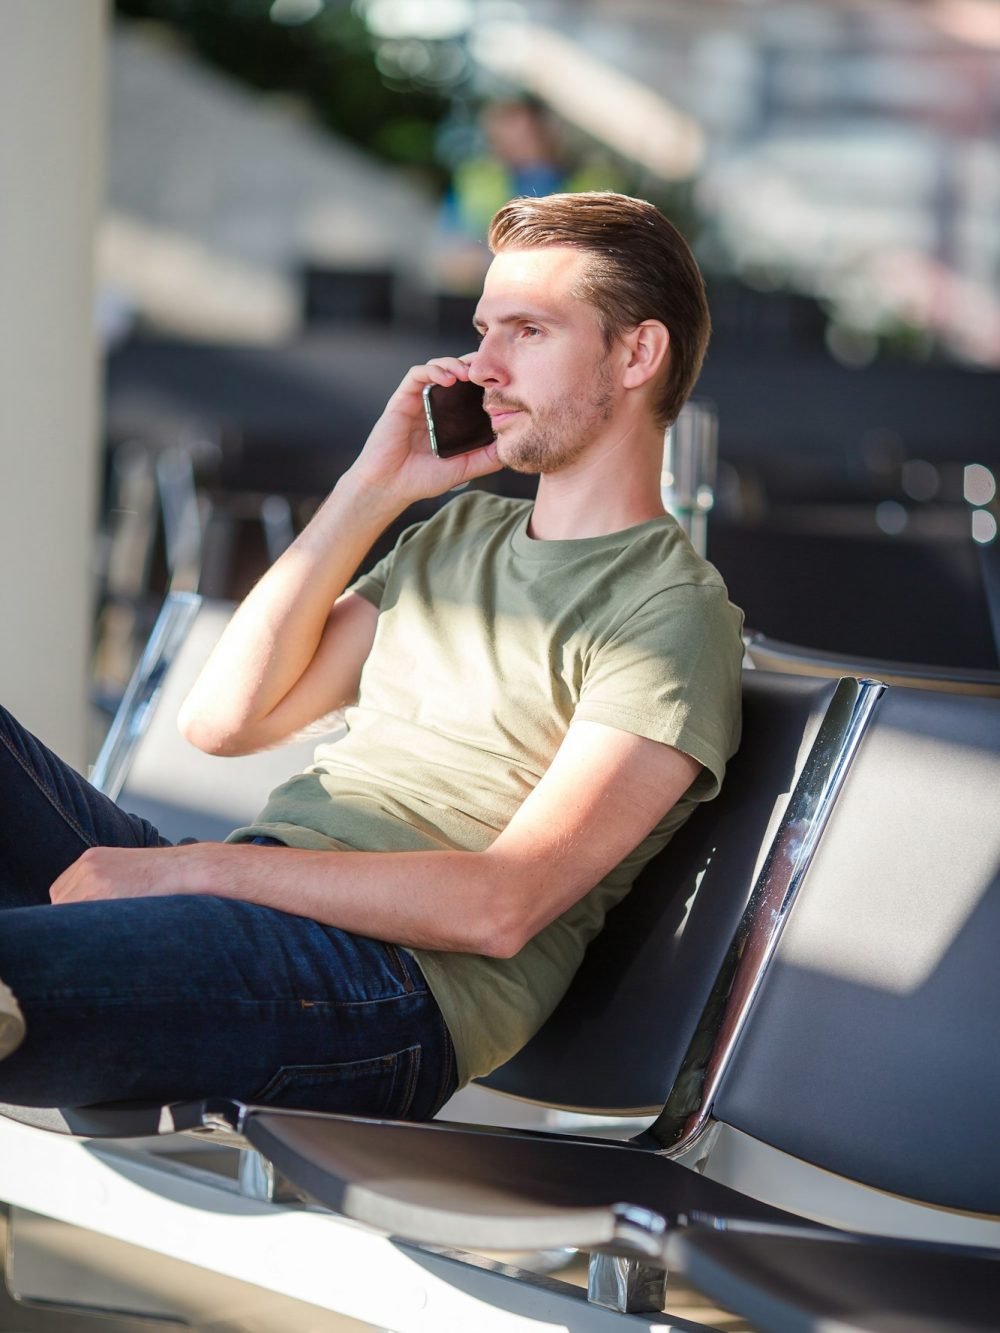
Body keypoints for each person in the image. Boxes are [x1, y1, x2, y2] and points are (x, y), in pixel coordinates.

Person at [0, 192, 744, 1118]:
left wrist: (193, 867)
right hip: (251, 906)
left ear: (637, 353)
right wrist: (370, 488)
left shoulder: (671, 611)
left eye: (528, 331)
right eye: (483, 329)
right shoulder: (458, 531)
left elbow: (499, 906)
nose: (483, 365)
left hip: (386, 990)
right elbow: (223, 721)